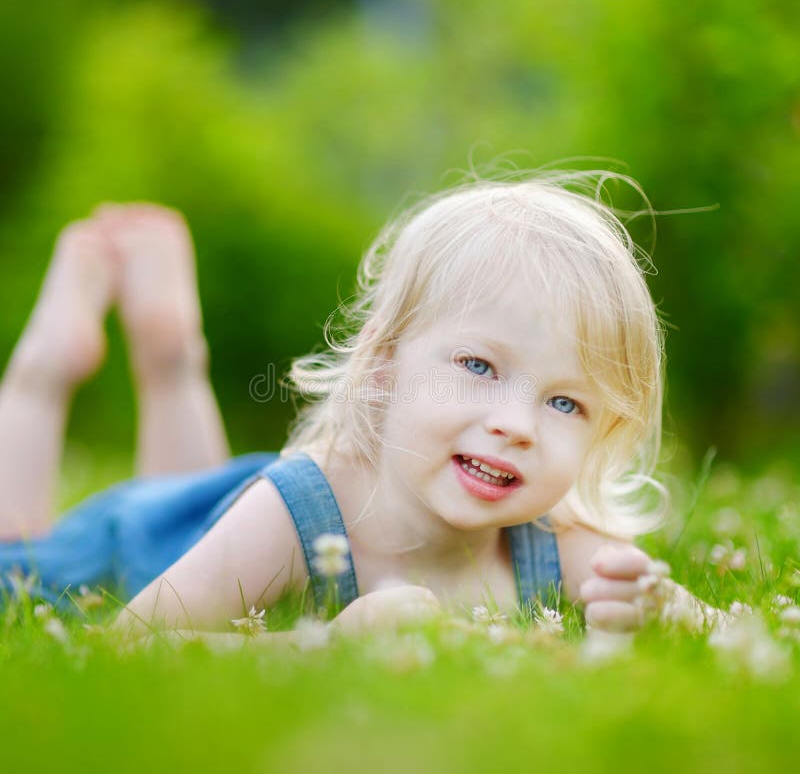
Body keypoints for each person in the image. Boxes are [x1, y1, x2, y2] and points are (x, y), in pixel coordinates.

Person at [0, 174, 707, 645]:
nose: (517, 427)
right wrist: (323, 647)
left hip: (216, 512)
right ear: (383, 362)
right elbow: (129, 646)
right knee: (20, 547)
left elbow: (703, 623)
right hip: (140, 540)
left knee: (187, 497)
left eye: (564, 402)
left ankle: (171, 354)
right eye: (479, 366)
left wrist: (663, 610)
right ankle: (44, 368)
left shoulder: (552, 541)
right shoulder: (294, 514)